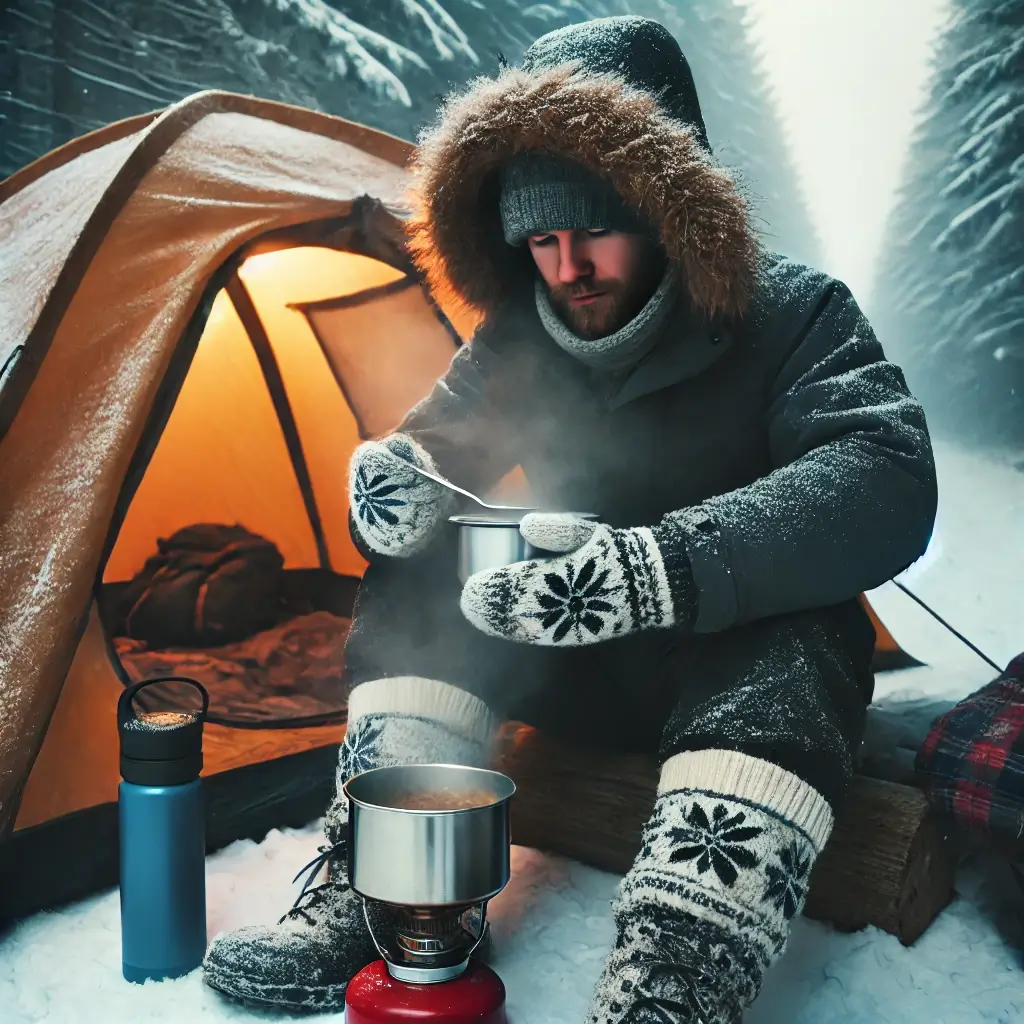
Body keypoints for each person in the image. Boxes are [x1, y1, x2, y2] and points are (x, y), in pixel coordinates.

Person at [202, 15, 937, 1022]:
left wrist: (658, 566)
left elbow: (884, 471)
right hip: (574, 669)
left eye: (594, 230)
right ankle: (392, 896)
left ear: (671, 212)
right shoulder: (522, 338)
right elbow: (440, 447)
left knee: (803, 625)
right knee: (429, 562)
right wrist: (403, 480)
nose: (568, 266)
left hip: (735, 680)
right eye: (541, 240)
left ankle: (679, 970)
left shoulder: (792, 314)